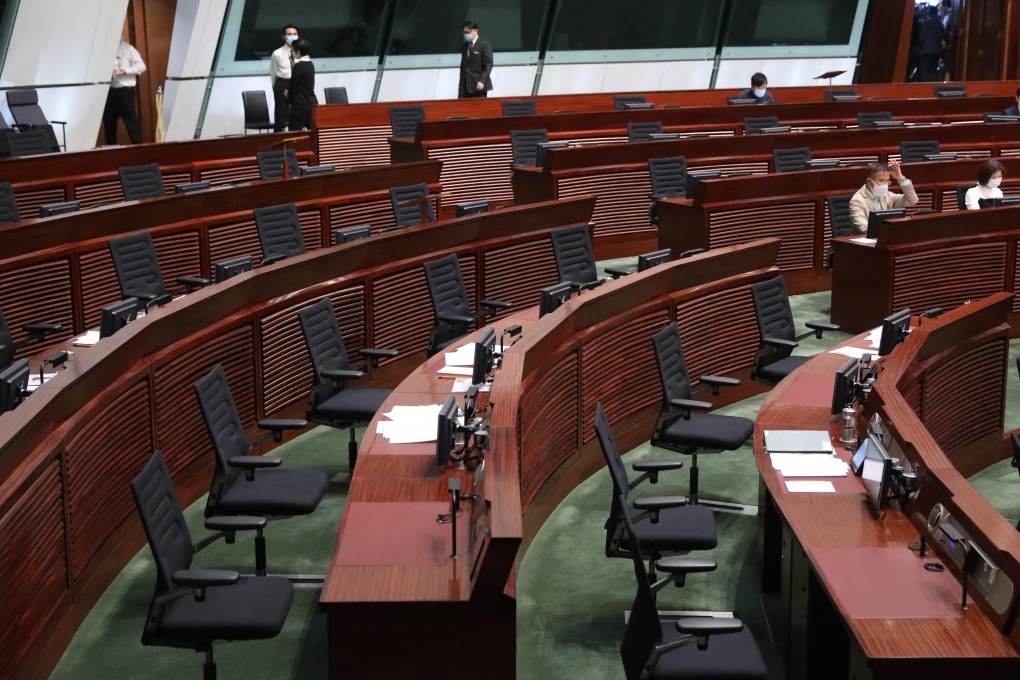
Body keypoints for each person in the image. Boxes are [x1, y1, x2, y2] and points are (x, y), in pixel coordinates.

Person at [848, 160, 918, 234]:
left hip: (885, 236)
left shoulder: (887, 195)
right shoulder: (857, 201)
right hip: (865, 239)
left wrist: (900, 178)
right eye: (881, 181)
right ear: (869, 182)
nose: (885, 185)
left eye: (887, 181)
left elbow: (912, 200)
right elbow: (864, 228)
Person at [103, 39, 146, 145]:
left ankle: (139, 149)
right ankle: (111, 150)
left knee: (131, 122)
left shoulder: (129, 49)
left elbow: (141, 67)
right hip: (109, 91)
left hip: (125, 92)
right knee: (108, 122)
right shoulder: (105, 49)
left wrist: (126, 71)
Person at [270, 25, 299, 131]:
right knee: (281, 112)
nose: (292, 36)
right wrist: (274, 85)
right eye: (289, 34)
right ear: (284, 37)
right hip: (282, 83)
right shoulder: (277, 53)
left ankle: (296, 134)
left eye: (295, 34)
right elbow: (273, 71)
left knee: (297, 111)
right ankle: (278, 134)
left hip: (296, 83)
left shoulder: (300, 52)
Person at [287, 39, 317, 131]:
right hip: (312, 103)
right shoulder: (311, 64)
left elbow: (293, 86)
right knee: (313, 134)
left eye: (294, 50)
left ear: (298, 51)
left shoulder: (298, 66)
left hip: (299, 105)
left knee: (294, 134)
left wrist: (289, 99)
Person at [459, 20, 493, 98]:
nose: (466, 34)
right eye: (464, 32)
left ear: (476, 31)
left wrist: (482, 81)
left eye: (468, 32)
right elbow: (463, 68)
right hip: (465, 88)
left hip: (479, 86)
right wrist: (460, 90)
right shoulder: (465, 46)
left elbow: (488, 65)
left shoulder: (484, 45)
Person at [916, 6, 944, 82]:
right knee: (933, 71)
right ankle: (933, 86)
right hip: (937, 51)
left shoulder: (925, 23)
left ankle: (925, 87)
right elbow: (943, 36)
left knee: (925, 71)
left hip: (926, 51)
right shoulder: (940, 24)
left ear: (929, 13)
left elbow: (921, 37)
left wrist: (918, 50)